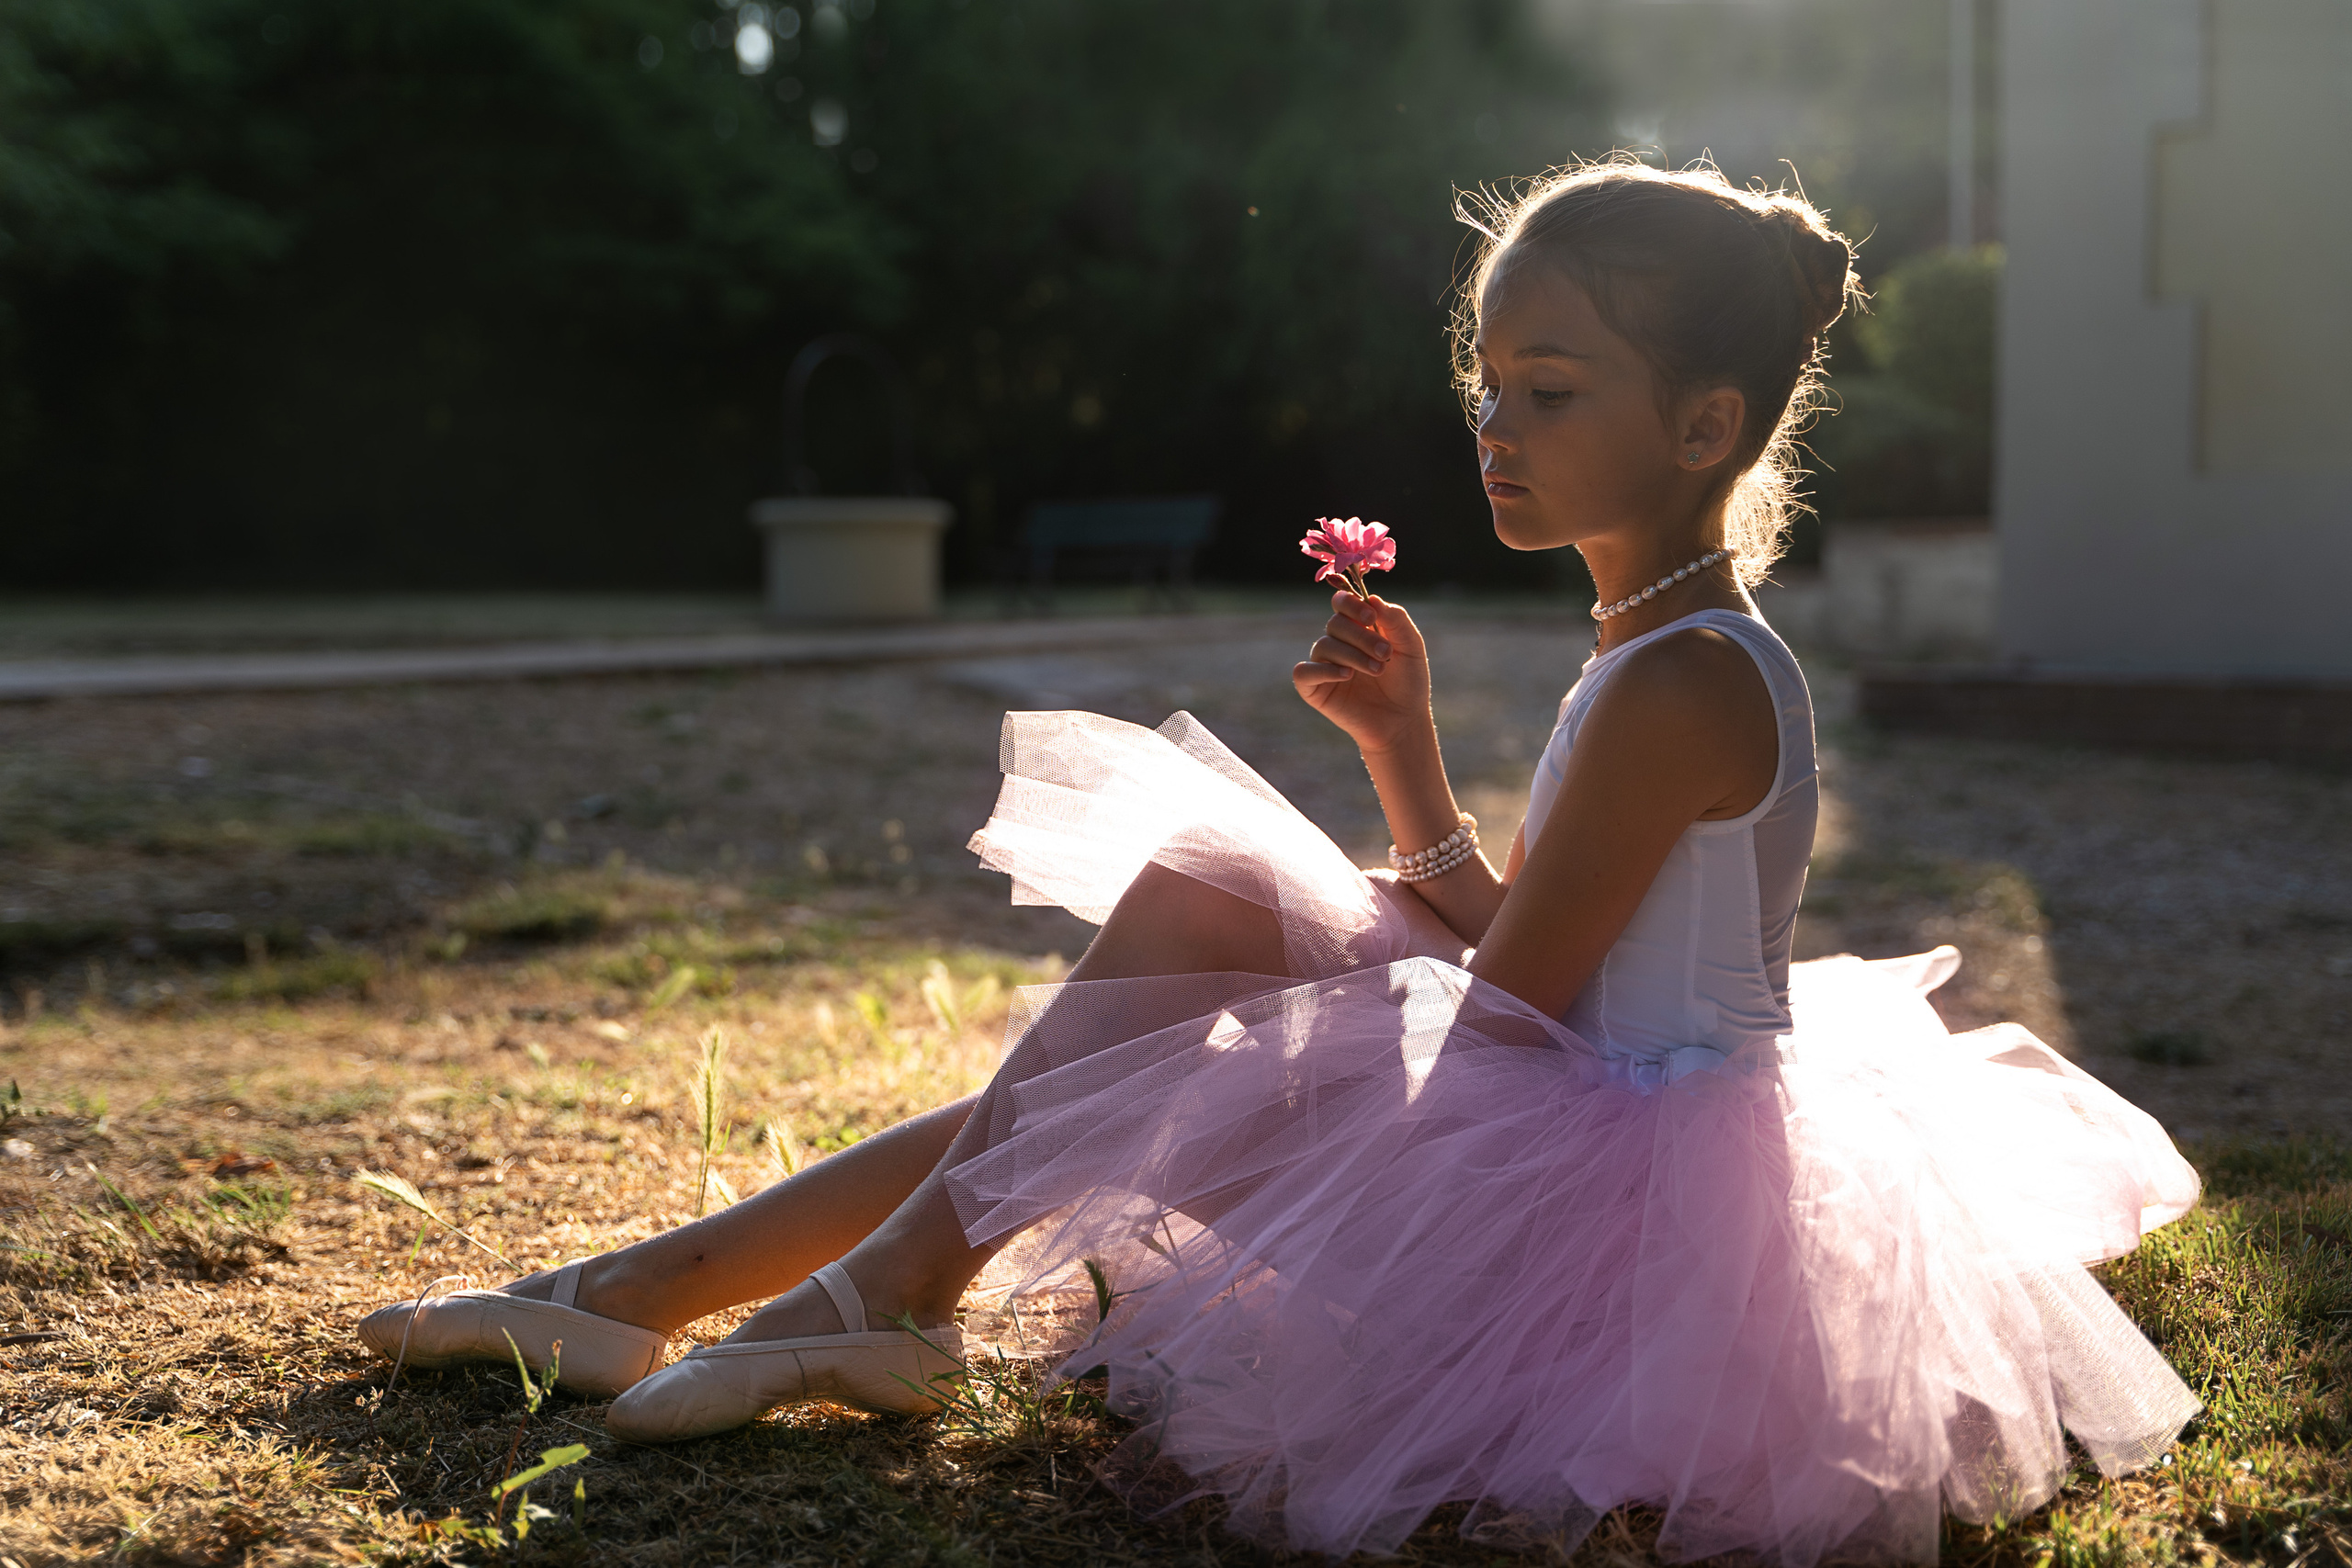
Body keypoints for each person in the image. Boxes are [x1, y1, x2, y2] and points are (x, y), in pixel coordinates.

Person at [357, 158, 2200, 1563]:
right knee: (1156, 992)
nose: (1495, 424)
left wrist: (1306, 998)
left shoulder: (1681, 680)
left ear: (1701, 427)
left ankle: (725, 1290)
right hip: (1587, 1099)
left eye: (1550, 390)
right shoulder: (1657, 647)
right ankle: (718, 1290)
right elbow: (1545, 942)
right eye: (1486, 385)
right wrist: (1400, 761)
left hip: (1609, 1219)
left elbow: (1513, 1008)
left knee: (1184, 957)